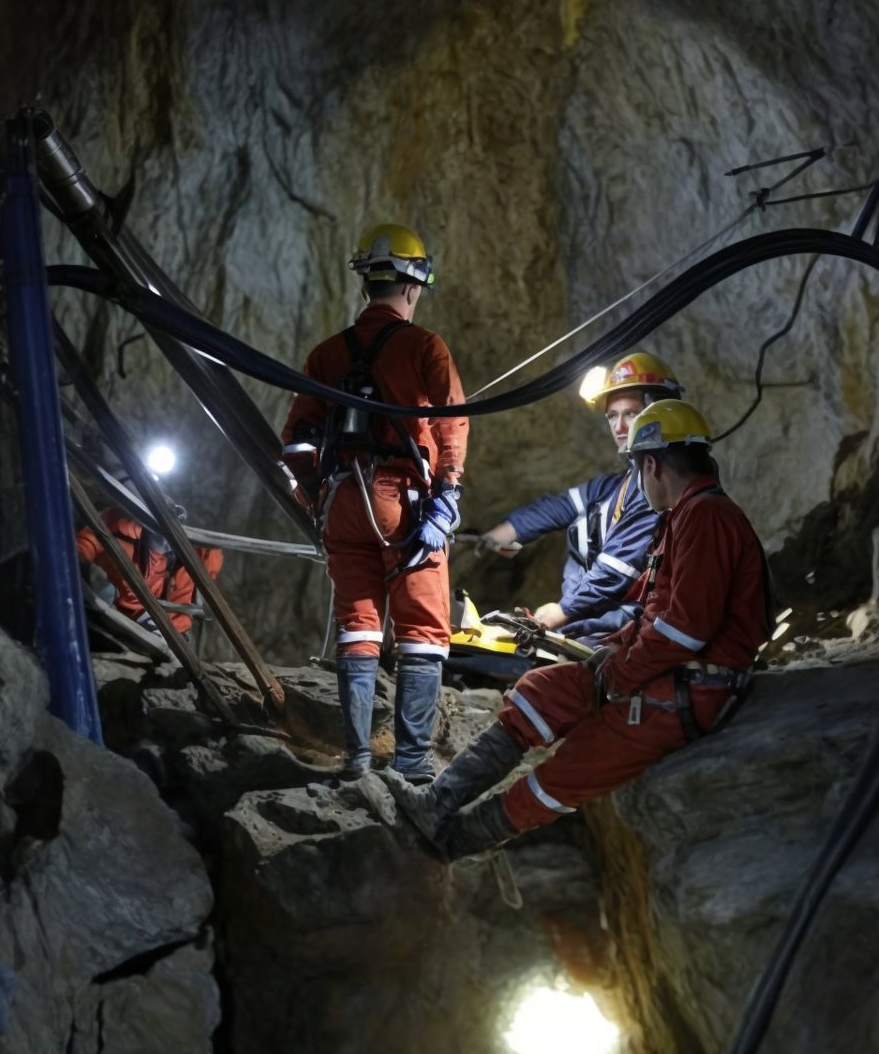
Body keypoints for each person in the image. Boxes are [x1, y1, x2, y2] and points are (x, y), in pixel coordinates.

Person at [399, 399, 768, 858]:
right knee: (542, 689)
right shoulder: (685, 514)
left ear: (650, 463)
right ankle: (437, 803)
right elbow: (656, 611)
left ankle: (454, 842)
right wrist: (611, 650)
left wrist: (617, 673)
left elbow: (684, 631)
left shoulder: (706, 518)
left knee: (573, 766)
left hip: (690, 688)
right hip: (663, 672)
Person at [281, 224, 468, 782]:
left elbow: (294, 441)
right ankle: (410, 765)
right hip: (403, 502)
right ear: (414, 287)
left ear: (366, 284)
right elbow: (453, 423)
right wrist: (447, 496)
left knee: (358, 626)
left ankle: (358, 759)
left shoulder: (326, 354)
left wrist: (318, 492)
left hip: (342, 500)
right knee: (423, 630)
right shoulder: (425, 346)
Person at [478, 352, 682, 642]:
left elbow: (616, 570)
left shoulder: (660, 490)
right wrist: (506, 532)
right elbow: (561, 507)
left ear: (658, 413)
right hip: (595, 621)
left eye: (631, 414)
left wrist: (560, 613)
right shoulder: (615, 486)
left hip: (630, 628)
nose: (619, 427)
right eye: (612, 416)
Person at [75, 508, 223, 637]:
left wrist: (166, 628)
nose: (166, 541)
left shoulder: (195, 559)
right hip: (109, 615)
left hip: (162, 631)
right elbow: (83, 547)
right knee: (97, 583)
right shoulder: (117, 527)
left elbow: (185, 611)